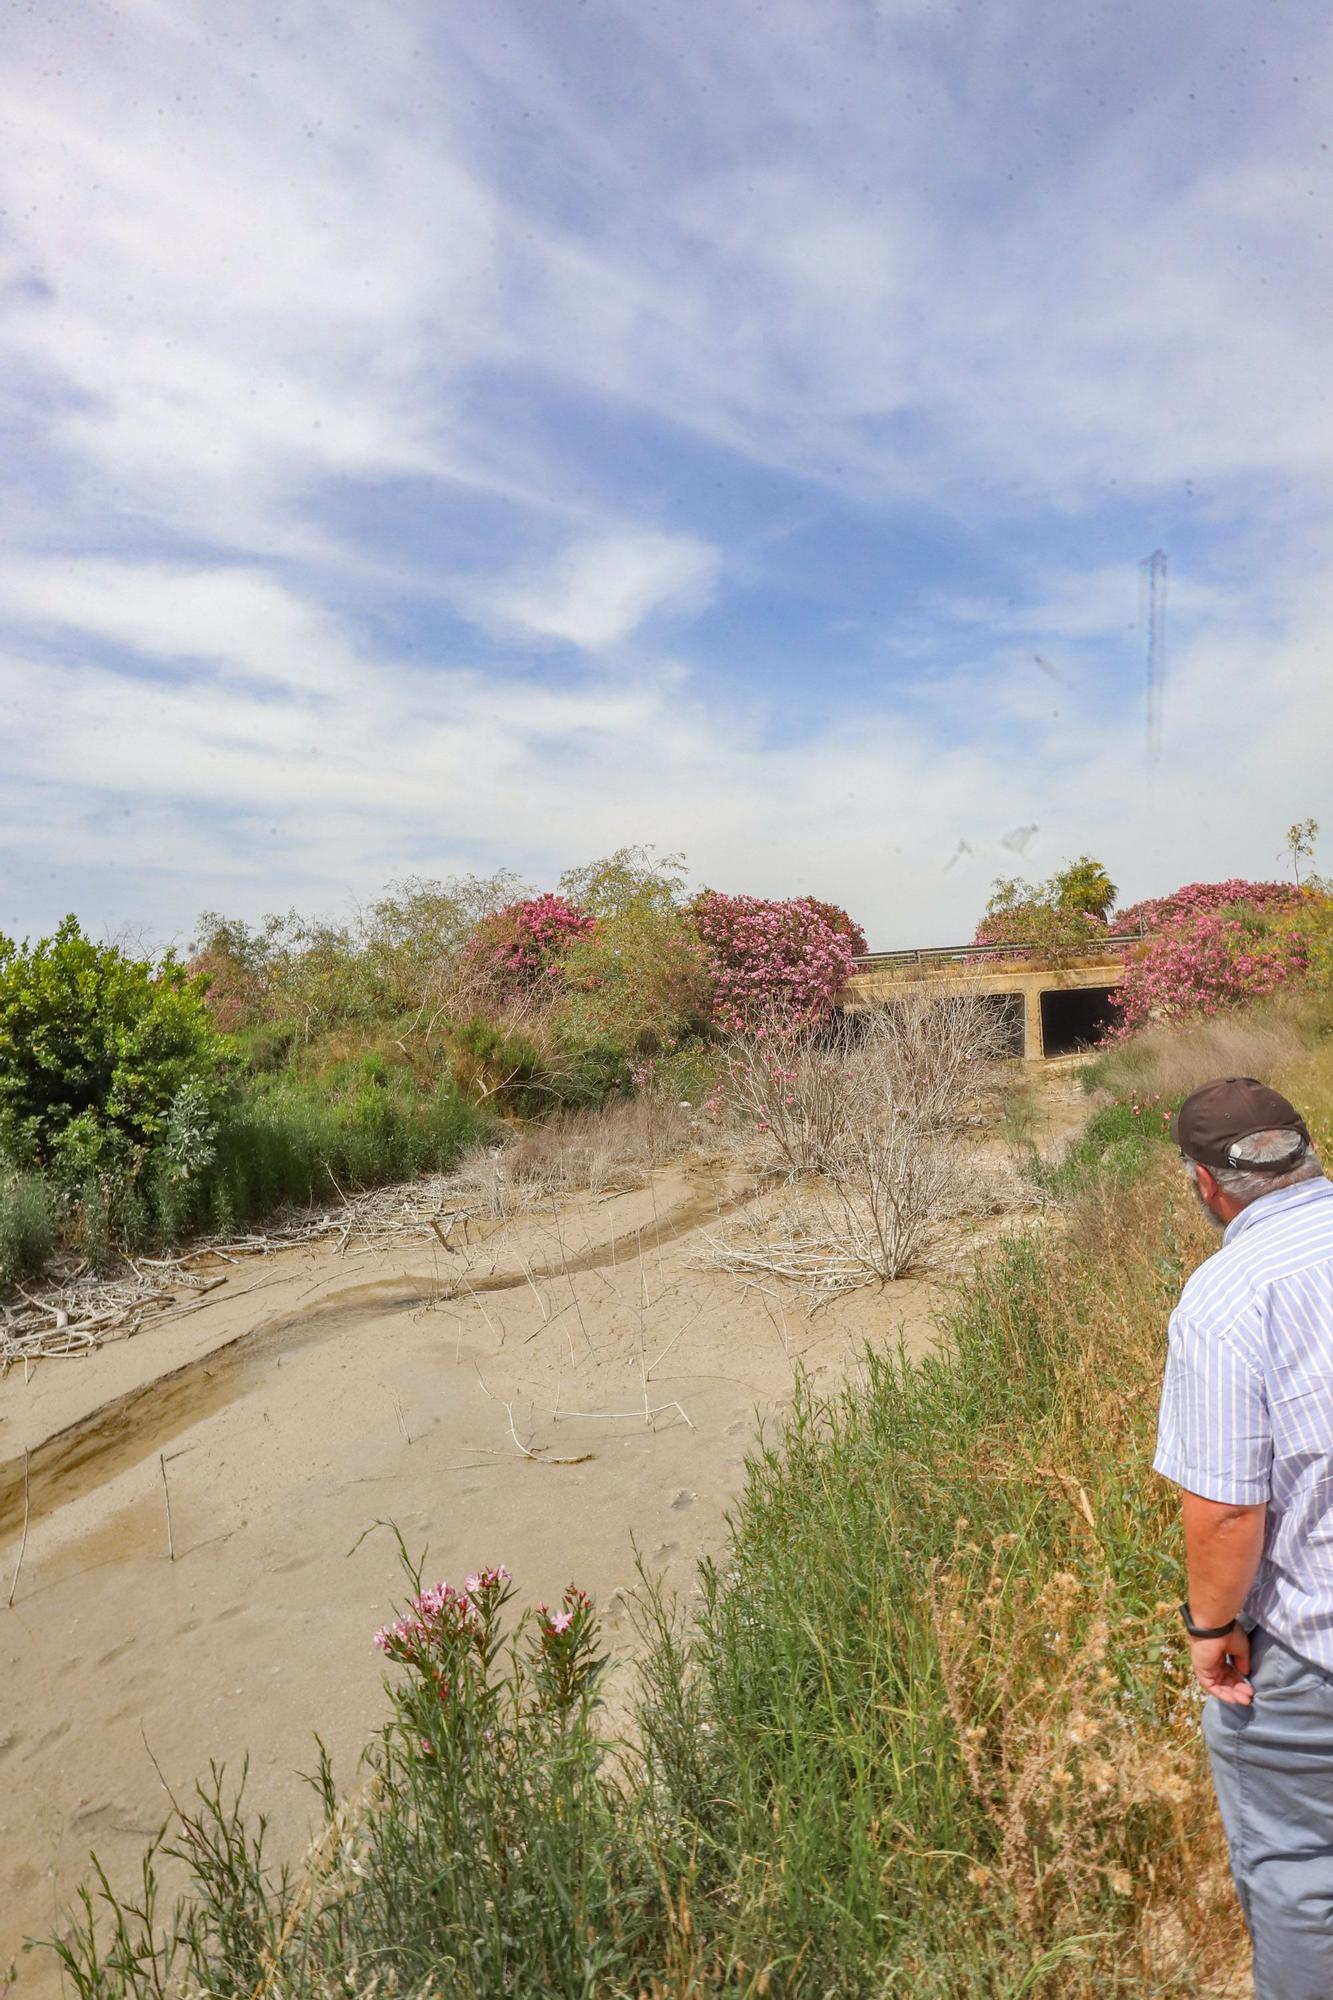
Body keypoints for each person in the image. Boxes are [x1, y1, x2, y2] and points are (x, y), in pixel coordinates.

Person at [1154, 1075, 1333, 2000]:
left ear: (1204, 1184)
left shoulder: (1225, 1299)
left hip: (1313, 1650)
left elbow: (1226, 1511)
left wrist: (1209, 1631)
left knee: (1301, 1872)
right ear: (1305, 1151)